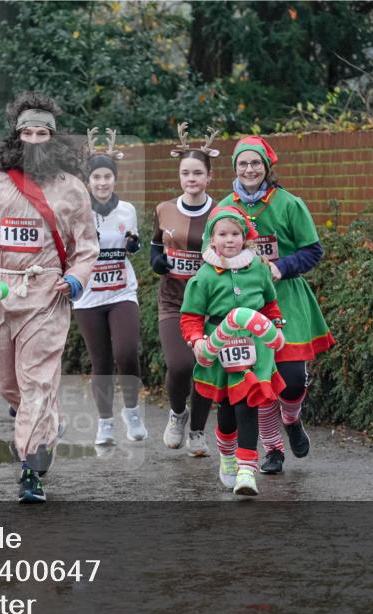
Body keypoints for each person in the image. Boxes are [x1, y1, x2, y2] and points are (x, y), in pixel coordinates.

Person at [0, 91, 99, 503]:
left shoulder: (71, 188)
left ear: (53, 138)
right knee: (11, 387)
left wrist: (76, 278)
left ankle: (31, 470)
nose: (33, 140)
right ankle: (47, 421)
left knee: (37, 381)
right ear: (15, 135)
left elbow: (86, 244)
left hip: (46, 292)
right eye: (27, 132)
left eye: (41, 133)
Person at [217, 136, 335, 473]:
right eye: (243, 163)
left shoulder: (289, 203)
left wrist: (281, 267)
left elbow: (313, 251)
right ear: (235, 168)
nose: (249, 169)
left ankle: (292, 418)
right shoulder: (224, 208)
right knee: (260, 379)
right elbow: (211, 253)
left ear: (266, 167)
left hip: (287, 301)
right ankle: (273, 449)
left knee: (293, 379)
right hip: (244, 305)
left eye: (255, 163)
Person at [180, 207, 286, 496]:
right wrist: (196, 340)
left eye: (235, 234)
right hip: (219, 346)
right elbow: (190, 317)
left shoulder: (260, 268)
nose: (230, 239)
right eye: (223, 234)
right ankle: (227, 456)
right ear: (212, 240)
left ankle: (247, 471)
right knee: (227, 410)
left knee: (247, 405)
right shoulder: (204, 276)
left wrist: (277, 327)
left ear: (245, 237)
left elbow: (270, 305)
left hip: (255, 345)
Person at [73, 128, 148, 445]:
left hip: (121, 290)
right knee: (101, 362)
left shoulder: (127, 210)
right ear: (87, 181)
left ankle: (132, 412)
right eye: (97, 177)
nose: (102, 183)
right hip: (88, 296)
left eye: (107, 177)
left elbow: (134, 244)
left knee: (127, 352)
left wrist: (133, 245)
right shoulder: (77, 211)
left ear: (115, 179)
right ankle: (105, 422)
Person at [150, 123, 220, 456]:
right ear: (179, 176)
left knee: (203, 366)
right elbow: (155, 244)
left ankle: (198, 431)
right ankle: (178, 413)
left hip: (210, 304)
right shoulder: (164, 209)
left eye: (197, 173)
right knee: (179, 366)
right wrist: (156, 261)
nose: (191, 179)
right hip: (173, 302)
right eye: (185, 173)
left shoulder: (221, 212)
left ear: (209, 177)